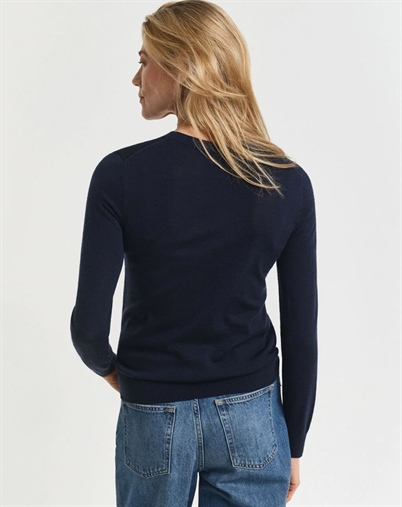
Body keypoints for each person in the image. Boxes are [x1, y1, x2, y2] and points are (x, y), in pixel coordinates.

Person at [70, 1, 318, 506]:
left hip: (152, 412)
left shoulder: (120, 176)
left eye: (144, 61)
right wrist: (294, 442)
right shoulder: (286, 181)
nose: (135, 77)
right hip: (253, 417)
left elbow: (88, 329)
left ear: (183, 65)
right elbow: (301, 335)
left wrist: (122, 377)